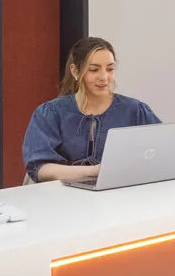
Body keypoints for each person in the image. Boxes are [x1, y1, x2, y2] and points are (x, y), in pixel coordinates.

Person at [22, 36, 161, 183]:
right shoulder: (50, 113)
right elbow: (40, 168)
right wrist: (94, 171)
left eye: (110, 69)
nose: (104, 77)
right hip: (62, 198)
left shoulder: (136, 110)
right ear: (75, 71)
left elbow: (162, 151)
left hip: (120, 195)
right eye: (94, 70)